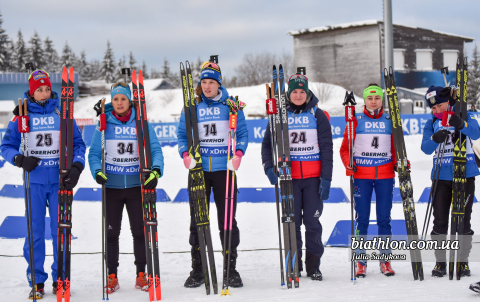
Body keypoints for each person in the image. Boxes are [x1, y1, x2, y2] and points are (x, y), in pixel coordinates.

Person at [0, 69, 86, 299]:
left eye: (47, 88)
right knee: (34, 232)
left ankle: (61, 278)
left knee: (61, 232)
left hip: (60, 181)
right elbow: (6, 146)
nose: (44, 92)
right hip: (34, 182)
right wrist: (19, 159)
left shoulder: (63, 113)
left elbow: (78, 144)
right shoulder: (21, 115)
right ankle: (37, 281)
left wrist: (77, 167)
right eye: (39, 89)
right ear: (31, 91)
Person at [176, 61, 248, 288]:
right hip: (198, 171)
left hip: (224, 170)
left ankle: (230, 269)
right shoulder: (192, 107)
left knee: (227, 222)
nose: (207, 86)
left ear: (219, 84)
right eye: (203, 82)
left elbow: (243, 133)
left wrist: (238, 154)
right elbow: (181, 135)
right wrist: (185, 154)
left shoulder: (231, 106)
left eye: (211, 82)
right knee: (197, 221)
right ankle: (198, 270)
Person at [88, 83, 165, 294]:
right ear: (111, 102)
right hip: (111, 187)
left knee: (139, 233)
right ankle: (112, 276)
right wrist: (97, 172)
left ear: (130, 101)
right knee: (112, 234)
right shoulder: (104, 124)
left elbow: (155, 150)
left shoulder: (141, 123)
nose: (119, 103)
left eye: (123, 99)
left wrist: (156, 171)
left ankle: (142, 274)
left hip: (135, 186)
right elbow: (94, 154)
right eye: (115, 99)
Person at [261, 72, 333, 281]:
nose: (299, 95)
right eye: (295, 91)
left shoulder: (318, 115)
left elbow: (327, 148)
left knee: (312, 225)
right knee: (292, 225)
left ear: (308, 93)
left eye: (302, 91)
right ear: (289, 94)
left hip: (313, 181)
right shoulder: (278, 116)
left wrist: (326, 178)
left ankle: (313, 266)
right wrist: (268, 169)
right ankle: (294, 264)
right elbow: (267, 146)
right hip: (288, 180)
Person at [339, 84, 398, 278]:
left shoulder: (391, 120)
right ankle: (361, 261)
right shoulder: (355, 119)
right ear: (365, 100)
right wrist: (349, 164)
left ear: (382, 100)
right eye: (370, 98)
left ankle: (385, 260)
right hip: (362, 176)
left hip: (385, 175)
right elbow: (345, 149)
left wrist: (400, 164)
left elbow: (398, 148)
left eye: (377, 98)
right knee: (362, 220)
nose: (374, 101)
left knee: (384, 220)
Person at [421, 86, 480, 277]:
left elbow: (476, 133)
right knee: (439, 222)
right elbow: (425, 148)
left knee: (463, 222)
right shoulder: (431, 123)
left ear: (448, 102)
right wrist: (435, 138)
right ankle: (440, 263)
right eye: (433, 108)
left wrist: (460, 124)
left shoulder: (465, 115)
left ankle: (462, 262)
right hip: (441, 178)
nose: (436, 111)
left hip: (465, 175)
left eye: (439, 105)